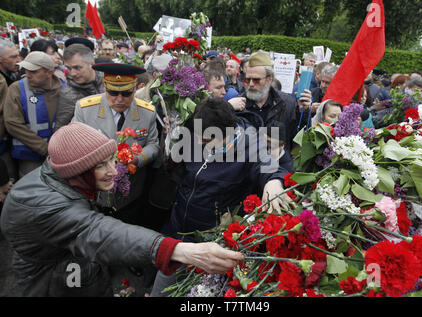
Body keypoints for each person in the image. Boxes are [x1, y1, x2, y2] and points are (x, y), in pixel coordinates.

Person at [0, 122, 244, 296]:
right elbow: (98, 231)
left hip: (74, 268)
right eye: (100, 165)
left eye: (112, 159)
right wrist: (176, 250)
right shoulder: (42, 205)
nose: (114, 171)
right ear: (77, 171)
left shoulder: (61, 176)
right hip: (53, 283)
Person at [150, 97, 291, 296]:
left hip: (211, 243)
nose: (200, 143)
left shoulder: (251, 146)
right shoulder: (198, 132)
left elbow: (269, 167)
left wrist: (274, 182)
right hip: (177, 233)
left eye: (207, 140)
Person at [72, 63, 159, 226]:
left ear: (135, 89)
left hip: (130, 195)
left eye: (126, 93)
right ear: (105, 87)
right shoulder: (85, 109)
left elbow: (153, 145)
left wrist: (137, 159)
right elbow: (73, 144)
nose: (119, 99)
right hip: (94, 194)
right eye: (113, 93)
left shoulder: (147, 112)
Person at [4, 51, 64, 178]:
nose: (28, 75)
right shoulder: (16, 89)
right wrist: (44, 148)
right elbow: (12, 124)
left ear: (49, 73)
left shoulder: (64, 89)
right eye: (26, 70)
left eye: (33, 71)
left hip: (60, 157)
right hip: (29, 158)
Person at [242, 52, 311, 153]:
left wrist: (303, 112)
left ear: (269, 79)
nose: (251, 84)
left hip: (279, 165)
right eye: (248, 80)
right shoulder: (239, 104)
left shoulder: (288, 103)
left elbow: (299, 138)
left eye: (256, 80)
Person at [54, 43, 104, 131]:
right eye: (68, 68)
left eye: (77, 68)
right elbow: (61, 130)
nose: (72, 73)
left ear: (91, 64)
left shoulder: (107, 82)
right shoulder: (68, 95)